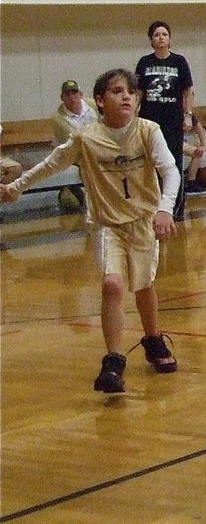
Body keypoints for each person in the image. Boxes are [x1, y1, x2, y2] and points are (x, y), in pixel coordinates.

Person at [1, 69, 180, 393]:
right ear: (100, 100)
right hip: (108, 225)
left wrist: (165, 208)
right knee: (112, 284)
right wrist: (15, 187)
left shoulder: (148, 131)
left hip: (142, 221)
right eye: (117, 91)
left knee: (143, 286)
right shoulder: (86, 138)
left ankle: (153, 339)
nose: (126, 96)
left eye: (131, 91)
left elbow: (170, 170)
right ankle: (113, 360)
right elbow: (51, 164)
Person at [135, 21, 194, 221]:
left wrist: (188, 115)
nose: (161, 37)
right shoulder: (144, 63)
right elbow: (139, 92)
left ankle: (176, 210)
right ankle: (150, 207)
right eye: (157, 35)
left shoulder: (179, 62)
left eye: (164, 34)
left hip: (172, 120)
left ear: (169, 38)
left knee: (174, 164)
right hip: (149, 119)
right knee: (149, 164)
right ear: (151, 40)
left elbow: (187, 91)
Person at [51, 78, 98, 211]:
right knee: (87, 163)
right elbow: (76, 143)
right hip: (73, 153)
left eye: (74, 93)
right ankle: (94, 199)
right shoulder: (58, 119)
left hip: (98, 146)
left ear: (81, 94)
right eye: (68, 95)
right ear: (62, 98)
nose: (72, 98)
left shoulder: (93, 105)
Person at [182, 111, 206, 195]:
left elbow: (199, 128)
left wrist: (203, 145)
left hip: (179, 142)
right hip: (164, 141)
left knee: (197, 152)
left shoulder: (187, 114)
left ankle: (191, 183)